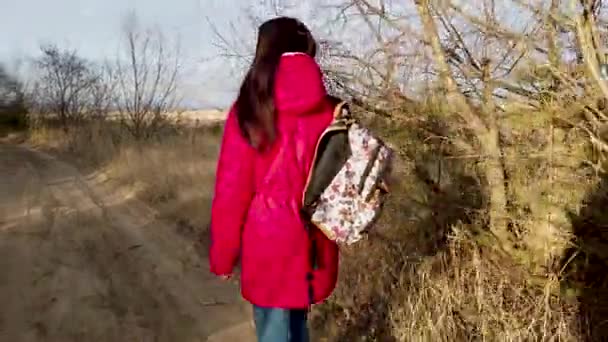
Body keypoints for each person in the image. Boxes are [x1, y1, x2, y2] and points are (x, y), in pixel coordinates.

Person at [208, 17, 340, 342]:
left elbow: (231, 191)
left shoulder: (249, 110)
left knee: (276, 332)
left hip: (268, 242)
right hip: (316, 237)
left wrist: (224, 255)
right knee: (296, 327)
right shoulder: (331, 109)